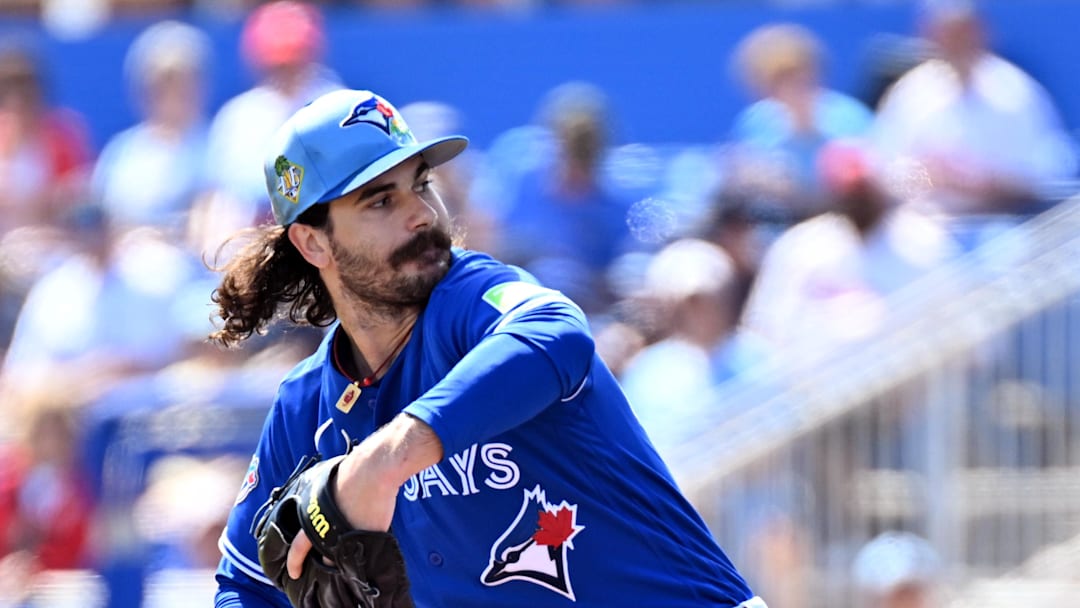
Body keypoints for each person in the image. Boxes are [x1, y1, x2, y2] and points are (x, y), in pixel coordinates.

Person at [210, 89, 765, 607]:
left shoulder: (470, 304)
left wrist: (378, 465)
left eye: (422, 183)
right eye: (381, 201)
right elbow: (242, 585)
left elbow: (556, 333)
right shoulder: (308, 406)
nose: (423, 213)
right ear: (312, 242)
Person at [872, 0, 1077, 219]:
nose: (956, 43)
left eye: (963, 33)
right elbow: (884, 174)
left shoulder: (1018, 93)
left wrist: (989, 183)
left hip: (1011, 228)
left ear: (982, 32)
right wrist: (931, 177)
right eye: (946, 34)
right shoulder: (909, 95)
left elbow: (1049, 177)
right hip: (929, 236)